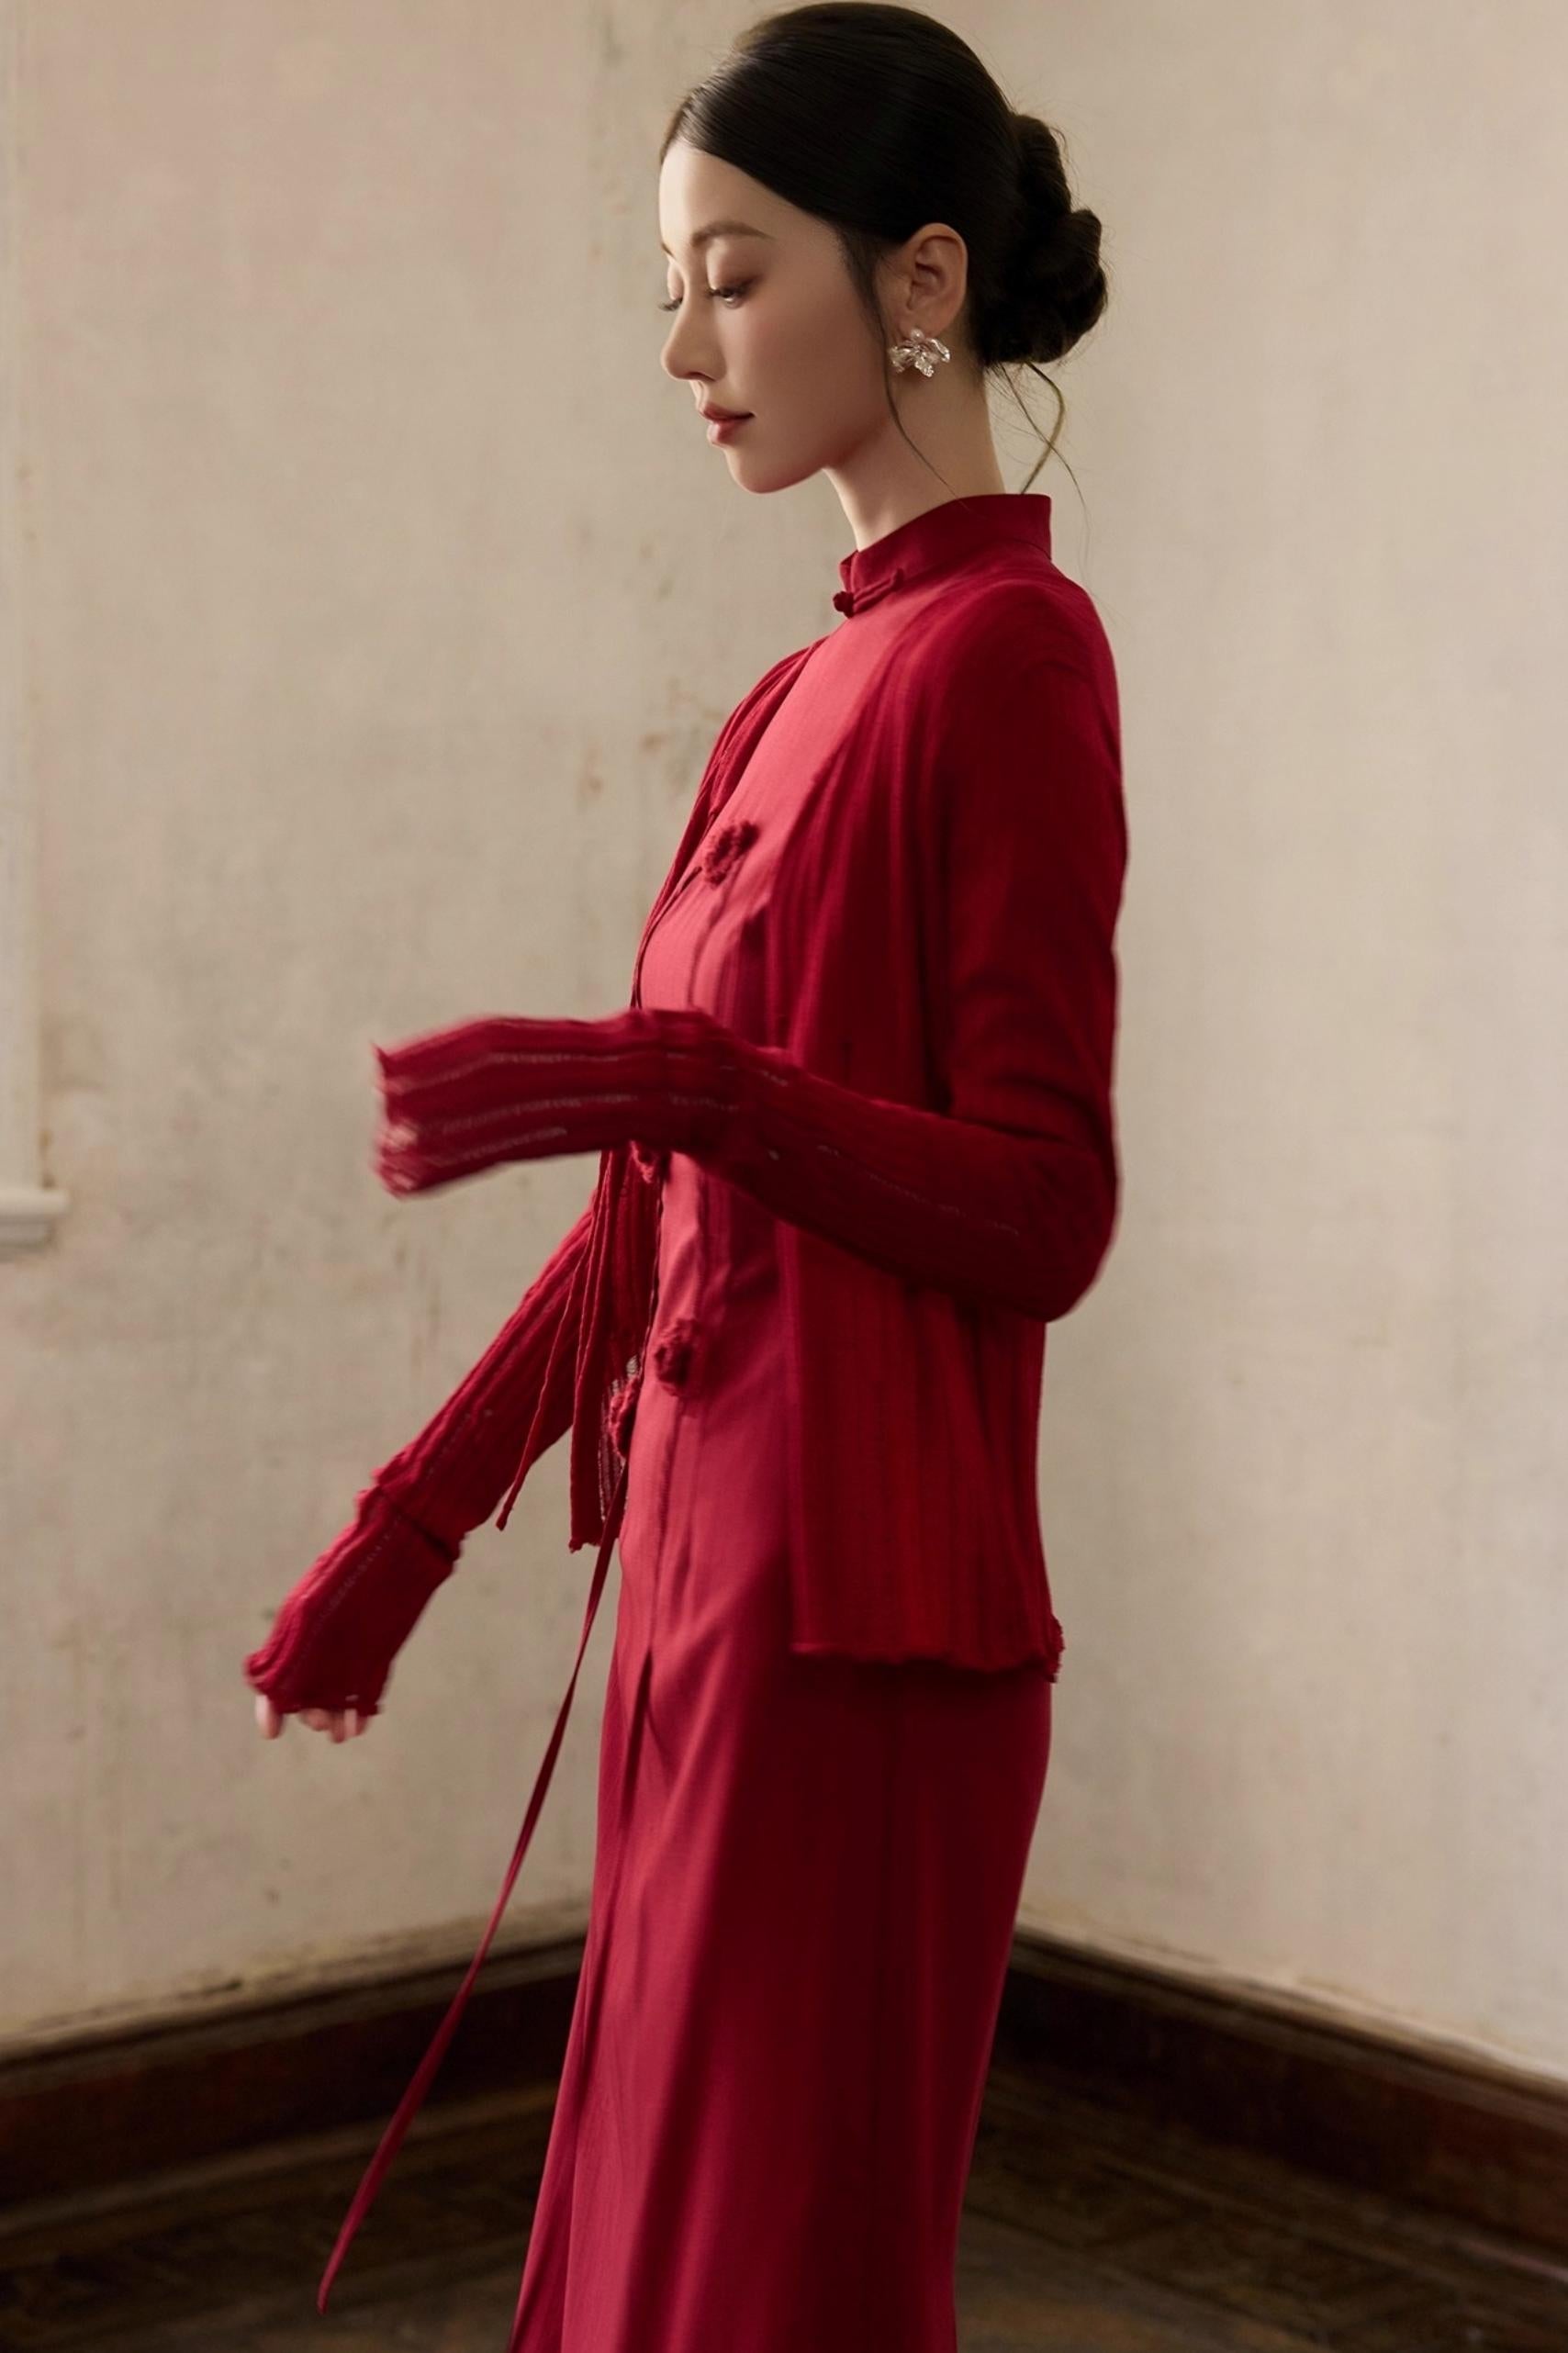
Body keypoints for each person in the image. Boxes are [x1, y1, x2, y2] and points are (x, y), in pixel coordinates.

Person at [245, 6, 1126, 2347]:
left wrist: (687, 1083)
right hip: (710, 1588)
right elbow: (667, 1204)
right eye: (673, 285)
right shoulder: (792, 692)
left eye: (729, 278)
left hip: (868, 1629)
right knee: (648, 2269)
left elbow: (1043, 1209)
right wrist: (408, 1534)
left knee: (763, 2284)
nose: (681, 348)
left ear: (917, 277)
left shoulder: (1007, 659)